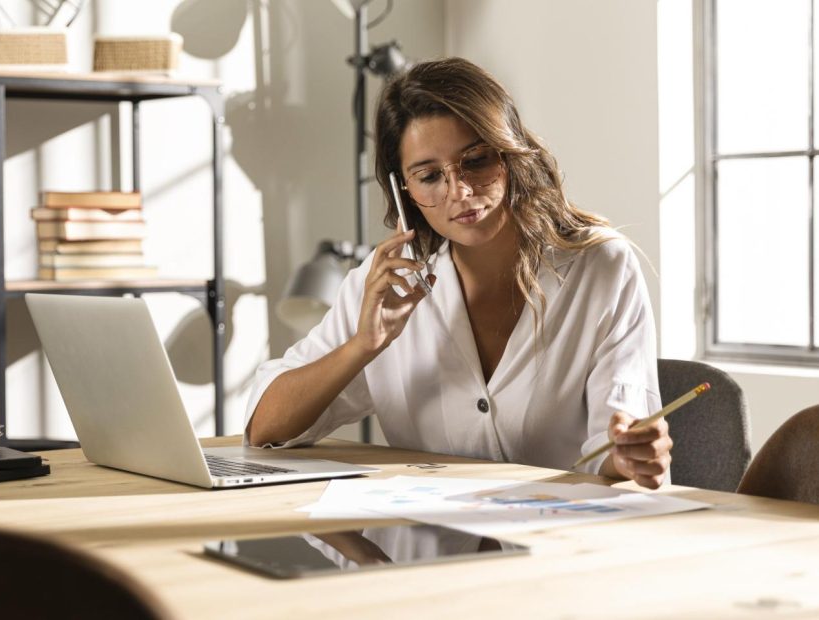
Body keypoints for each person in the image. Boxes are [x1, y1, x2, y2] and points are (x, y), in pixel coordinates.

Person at [245, 57, 671, 489]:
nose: (460, 191)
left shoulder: (600, 268)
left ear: (509, 153)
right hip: (426, 545)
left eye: (477, 160)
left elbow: (617, 446)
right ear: (404, 190)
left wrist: (631, 455)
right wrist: (363, 345)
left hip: (561, 541)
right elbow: (265, 430)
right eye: (429, 176)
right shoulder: (386, 285)